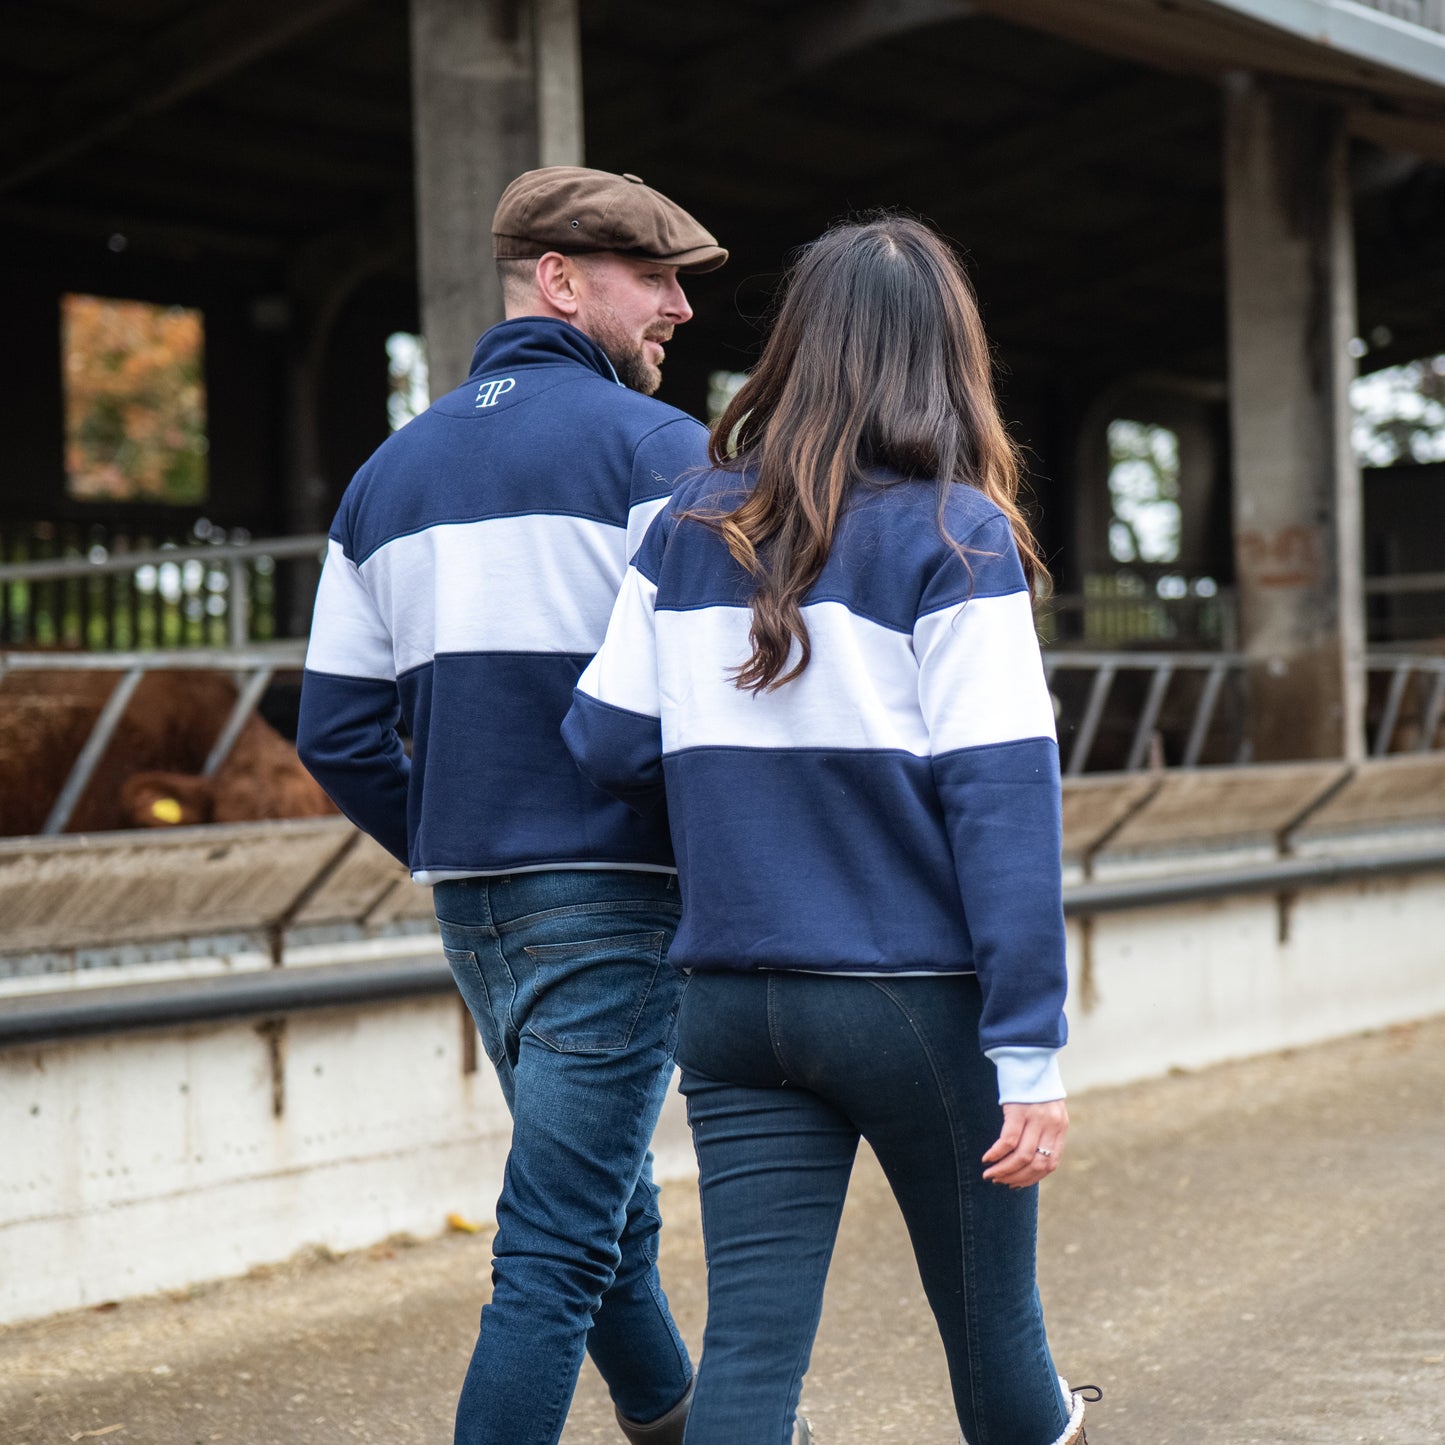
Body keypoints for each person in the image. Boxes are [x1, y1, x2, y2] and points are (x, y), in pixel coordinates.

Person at [563, 214, 1098, 1445]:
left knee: (748, 1359)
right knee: (997, 1347)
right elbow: (1002, 799)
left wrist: (734, 777)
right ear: (944, 360)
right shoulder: (959, 537)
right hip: (915, 1000)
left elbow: (599, 743)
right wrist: (1028, 1051)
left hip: (735, 1001)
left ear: (795, 349)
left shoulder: (688, 526)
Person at [296, 167, 726, 1445]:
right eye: (652, 280)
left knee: (598, 1202)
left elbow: (334, 728)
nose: (676, 310)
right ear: (557, 280)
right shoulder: (661, 452)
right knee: (554, 1238)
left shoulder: (385, 473)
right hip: (615, 895)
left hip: (473, 904)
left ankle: (680, 1421)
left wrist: (451, 831)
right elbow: (709, 693)